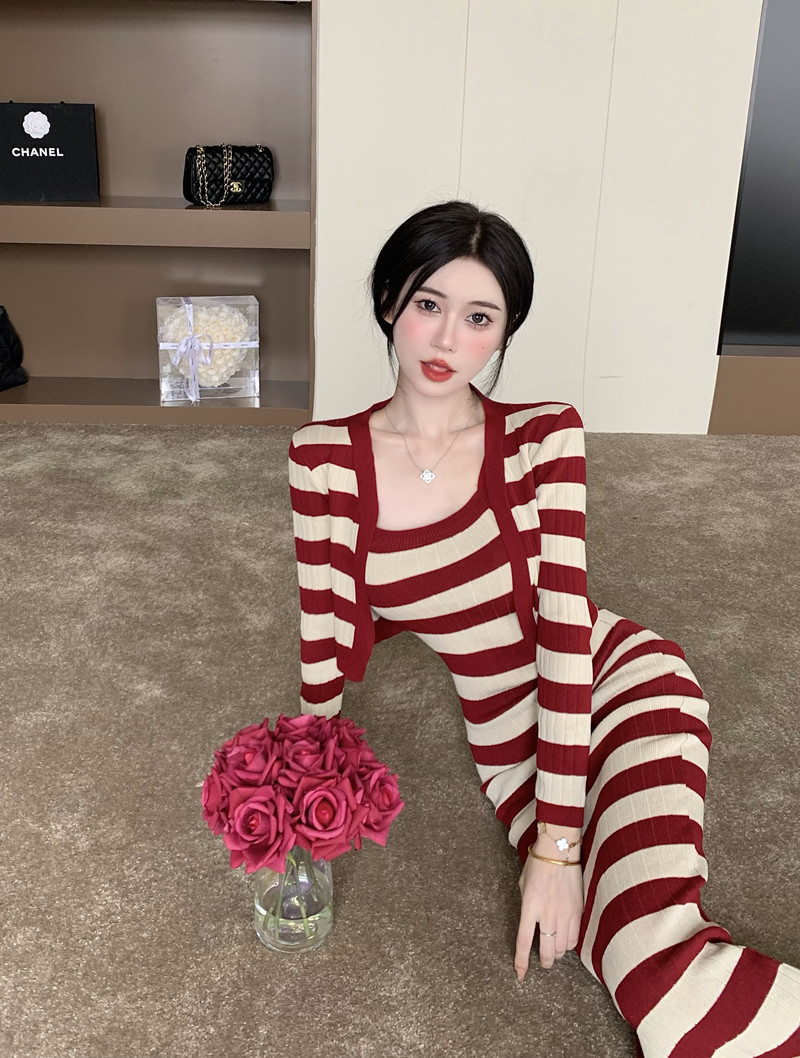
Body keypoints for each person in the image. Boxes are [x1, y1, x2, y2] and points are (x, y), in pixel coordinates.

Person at [288, 200, 800, 1057]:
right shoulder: (322, 456)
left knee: (653, 960)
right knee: (623, 953)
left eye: (479, 317)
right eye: (428, 303)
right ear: (388, 301)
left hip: (616, 685)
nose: (446, 338)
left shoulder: (543, 436)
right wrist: (304, 773)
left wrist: (557, 853)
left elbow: (564, 636)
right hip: (511, 749)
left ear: (503, 333)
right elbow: (325, 625)